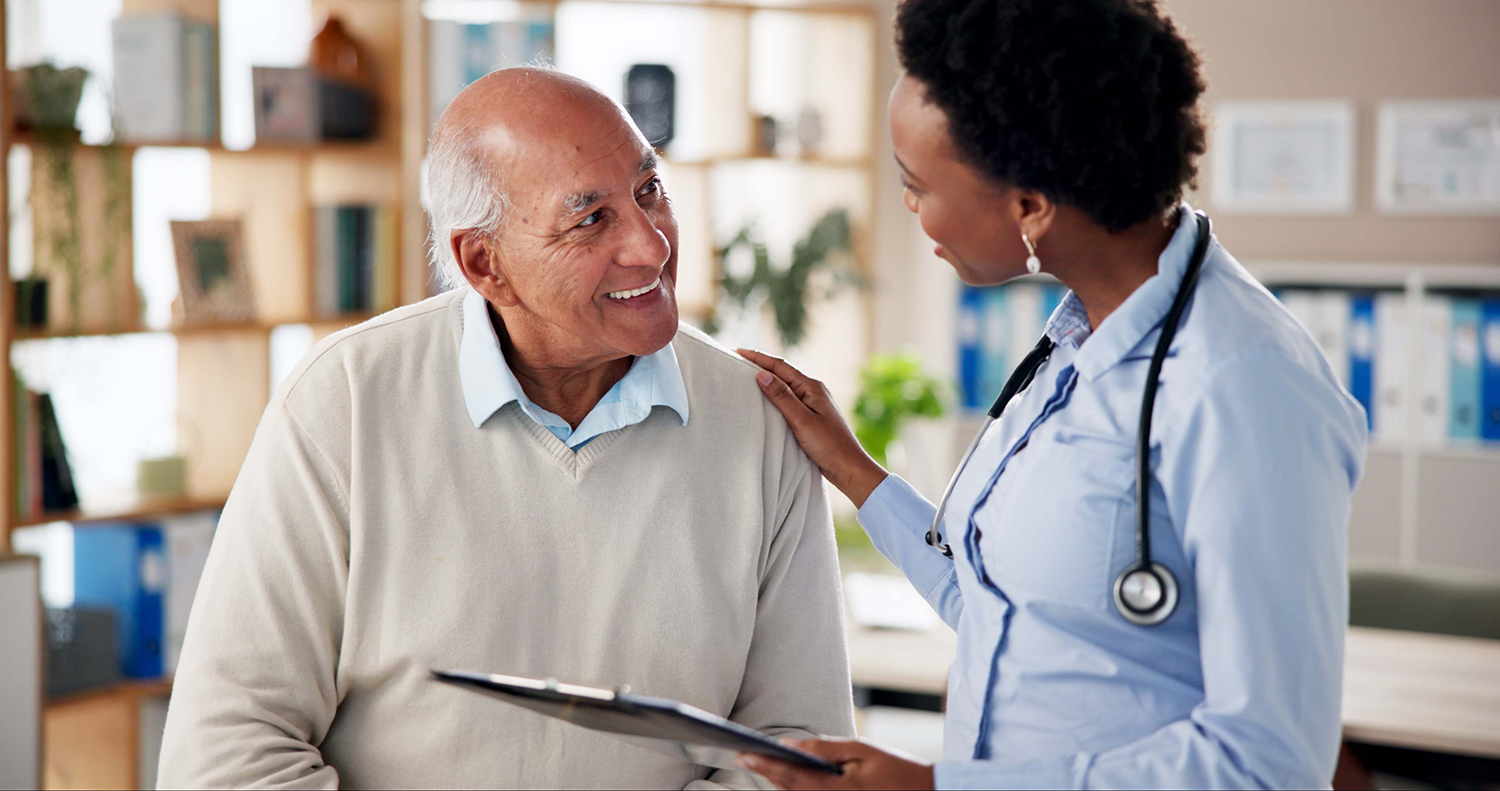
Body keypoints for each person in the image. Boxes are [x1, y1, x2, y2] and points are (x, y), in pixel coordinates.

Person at [157, 68, 855, 789]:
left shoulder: (759, 418)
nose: (652, 246)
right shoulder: (344, 401)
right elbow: (225, 757)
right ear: (483, 263)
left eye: (648, 190)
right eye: (592, 219)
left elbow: (800, 747)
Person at [735, 0, 1367, 788]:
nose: (909, 206)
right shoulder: (1079, 340)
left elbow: (1268, 758)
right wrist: (854, 471)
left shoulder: (1241, 385)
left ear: (1030, 205)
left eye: (916, 184)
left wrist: (934, 787)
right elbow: (1007, 612)